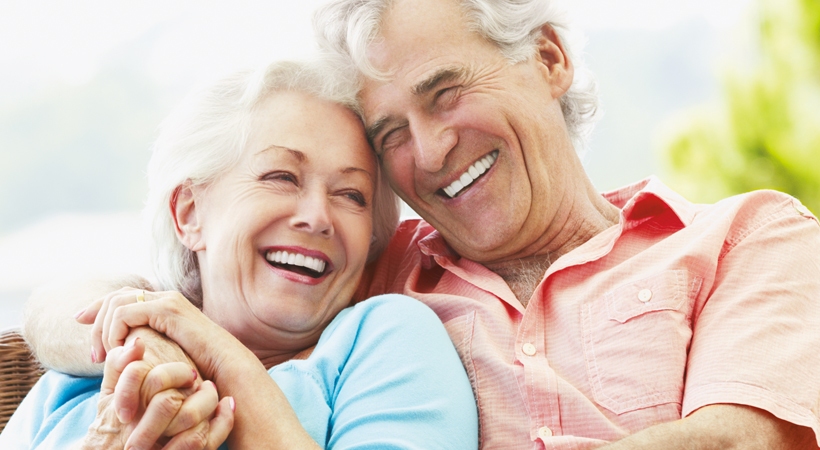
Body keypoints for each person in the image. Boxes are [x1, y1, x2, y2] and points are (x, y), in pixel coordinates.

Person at [17, 0, 820, 448]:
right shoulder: (376, 269)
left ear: (550, 60)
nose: (430, 150)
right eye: (391, 134)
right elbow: (85, 300)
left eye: (445, 93)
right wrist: (150, 338)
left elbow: (741, 444)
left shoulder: (745, 237)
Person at [0, 60, 478, 449]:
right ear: (189, 213)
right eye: (282, 177)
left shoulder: (386, 340)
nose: (318, 217)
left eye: (351, 195)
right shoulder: (80, 377)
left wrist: (215, 364)